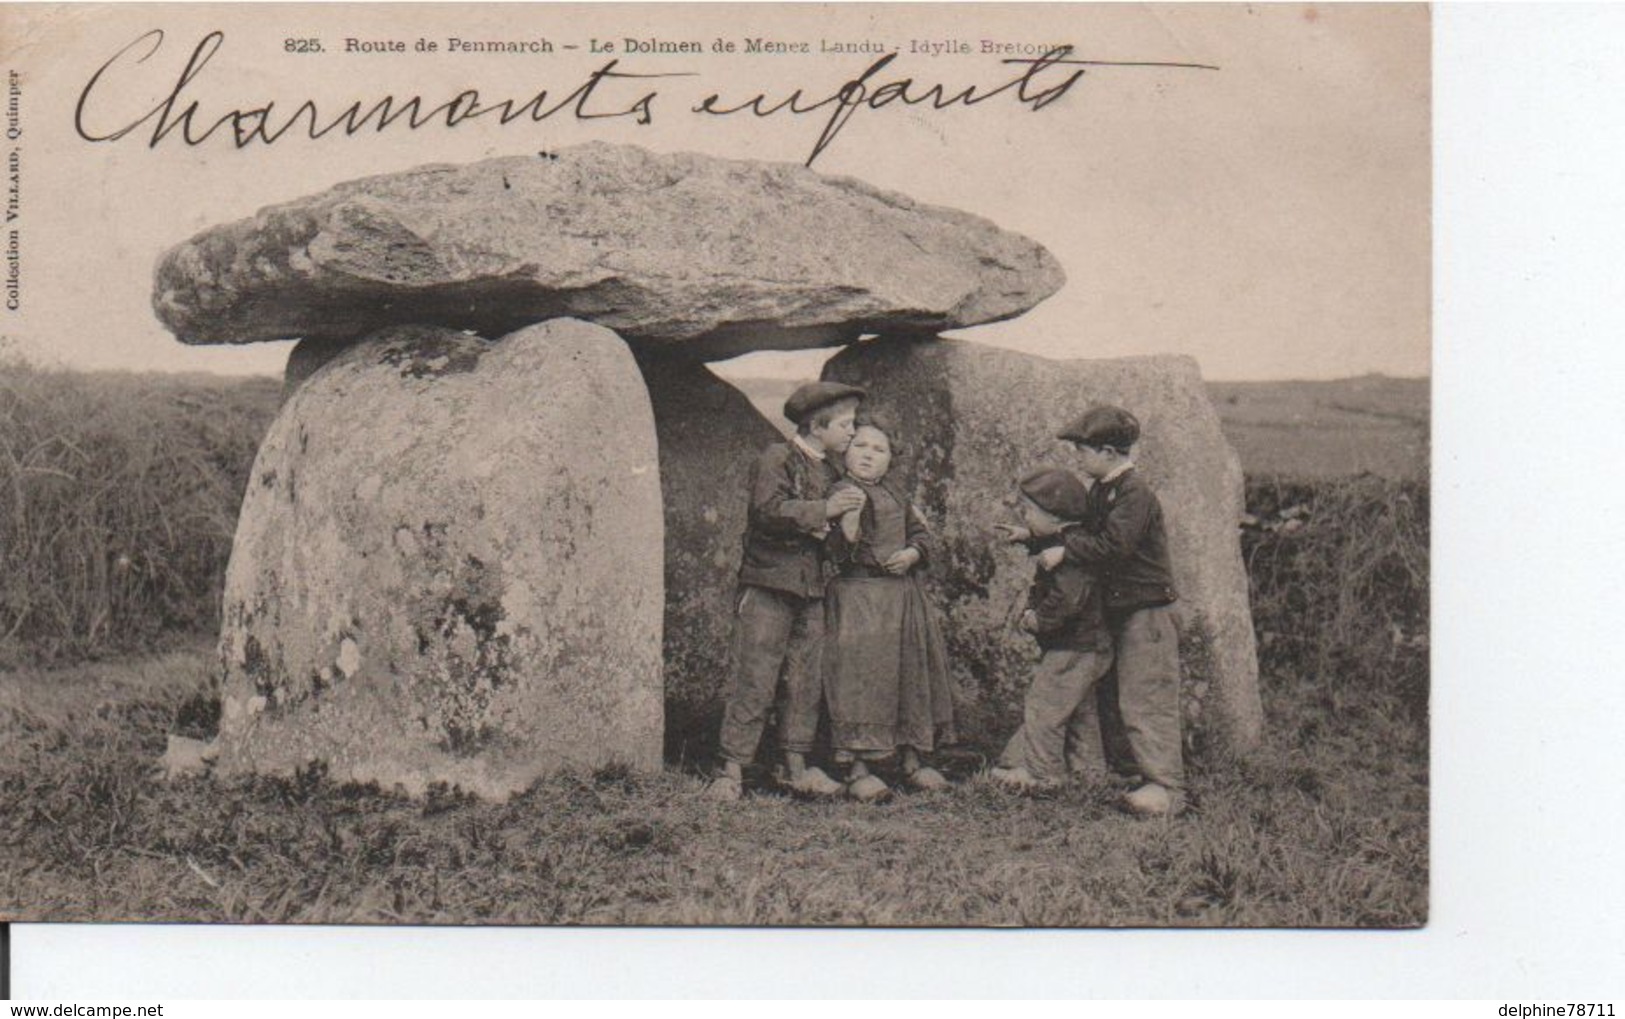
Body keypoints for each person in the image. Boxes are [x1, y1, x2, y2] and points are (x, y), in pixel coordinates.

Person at [707, 381, 867, 801]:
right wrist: (824, 510)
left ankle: (793, 765)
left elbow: (830, 544)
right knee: (755, 676)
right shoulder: (777, 458)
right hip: (767, 585)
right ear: (817, 426)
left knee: (804, 680)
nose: (852, 432)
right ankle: (731, 770)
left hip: (810, 590)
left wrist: (846, 530)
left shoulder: (833, 473)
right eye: (846, 425)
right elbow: (767, 512)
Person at [1037, 405, 1185, 816]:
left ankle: (1167, 787)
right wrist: (1035, 538)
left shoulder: (1134, 493)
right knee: (1118, 696)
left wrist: (1064, 548)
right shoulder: (1105, 490)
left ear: (1107, 451)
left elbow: (1114, 545)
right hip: (1123, 611)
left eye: (1083, 450)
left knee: (1146, 697)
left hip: (1147, 612)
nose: (1078, 459)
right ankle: (1132, 773)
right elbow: (1085, 533)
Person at [822, 413, 955, 802]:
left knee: (908, 675)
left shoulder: (897, 494)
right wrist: (845, 532)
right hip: (857, 598)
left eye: (879, 449)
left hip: (901, 599)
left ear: (891, 458)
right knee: (860, 680)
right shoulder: (838, 492)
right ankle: (858, 768)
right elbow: (831, 552)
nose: (868, 455)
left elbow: (921, 534)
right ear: (845, 451)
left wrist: (913, 553)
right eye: (860, 445)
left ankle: (912, 759)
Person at [990, 467, 1115, 792]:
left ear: (1058, 519)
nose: (1026, 515)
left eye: (1031, 511)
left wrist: (1039, 619)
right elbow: (1055, 539)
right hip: (1090, 645)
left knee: (1045, 706)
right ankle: (1089, 773)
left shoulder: (1068, 557)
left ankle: (1042, 774)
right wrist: (1027, 535)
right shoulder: (1072, 541)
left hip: (1073, 646)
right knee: (1078, 707)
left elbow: (1068, 597)